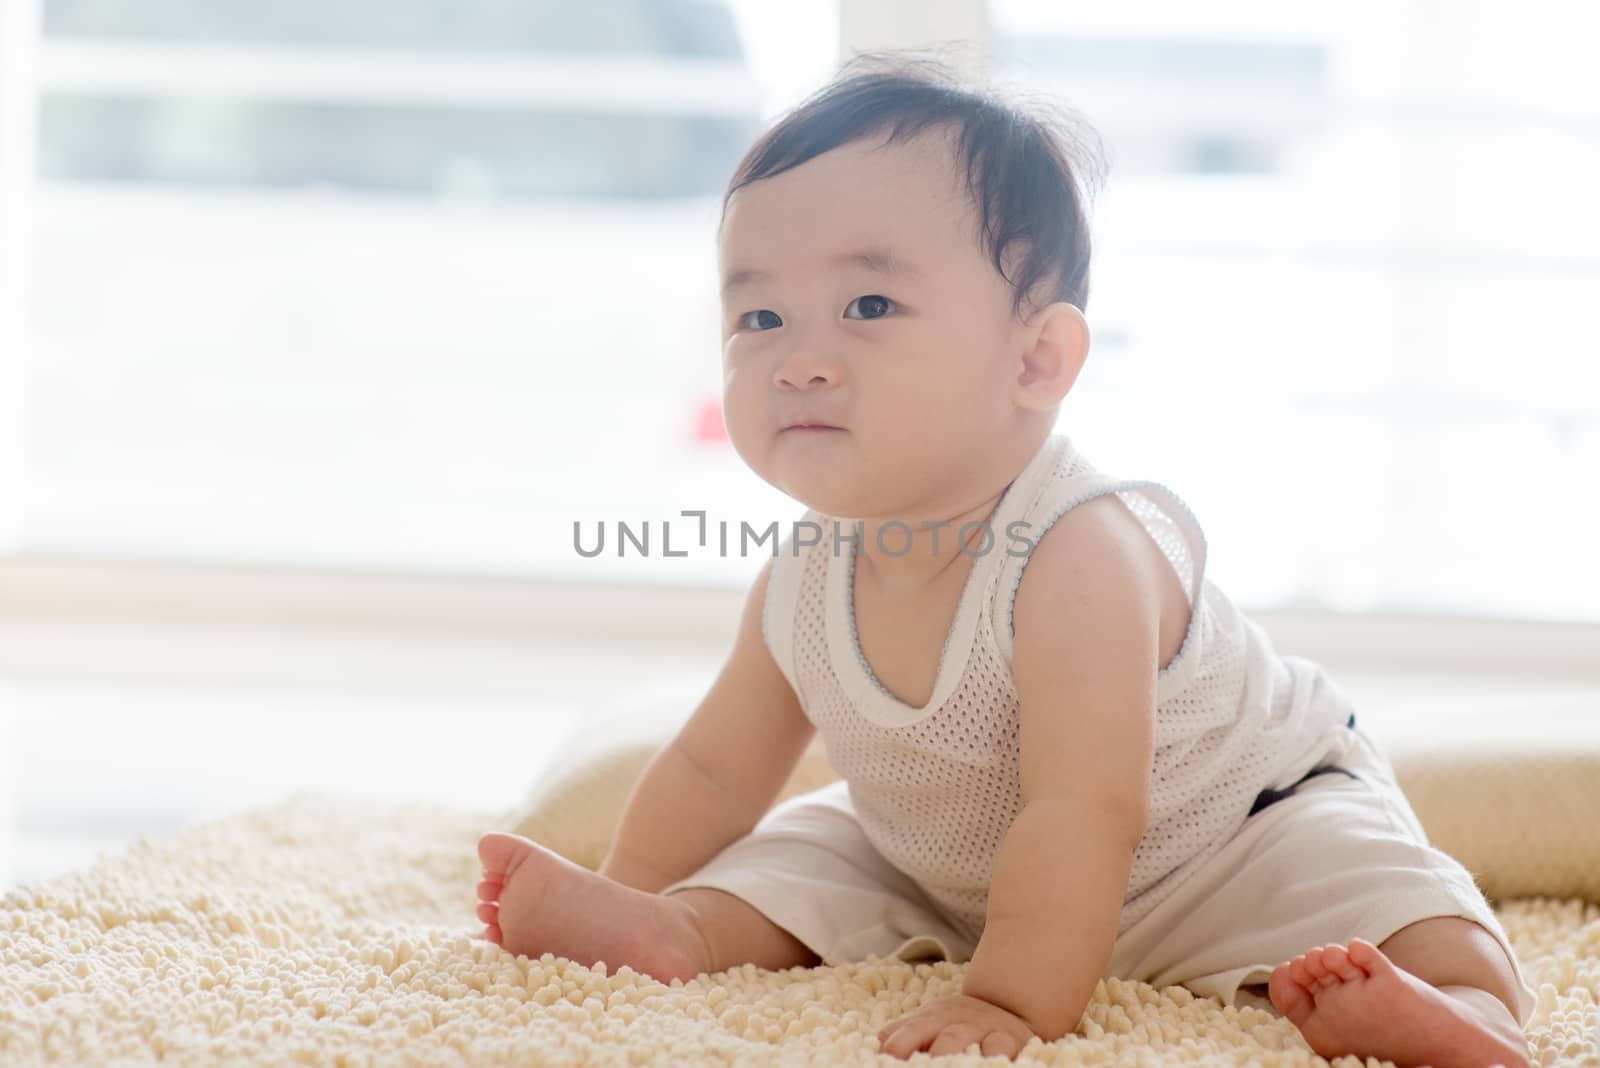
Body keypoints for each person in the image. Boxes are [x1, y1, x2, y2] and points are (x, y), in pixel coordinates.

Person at [473, 53, 1539, 1067]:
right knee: (812, 850)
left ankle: (1462, 1007)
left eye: (869, 307)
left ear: (1037, 358)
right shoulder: (803, 575)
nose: (797, 361)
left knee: (1386, 886)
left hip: (1227, 843)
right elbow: (714, 767)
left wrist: (1011, 997)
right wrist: (634, 882)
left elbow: (1086, 807)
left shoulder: (1075, 552)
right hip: (957, 867)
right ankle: (672, 933)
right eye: (758, 315)